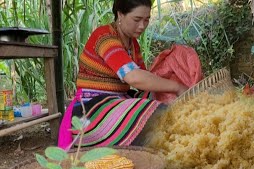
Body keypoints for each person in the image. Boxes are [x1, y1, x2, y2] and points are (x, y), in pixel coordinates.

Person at [58, 0, 188, 150]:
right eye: (137, 19)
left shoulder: (133, 44)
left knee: (164, 101)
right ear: (120, 15)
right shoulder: (104, 37)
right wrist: (177, 86)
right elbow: (133, 77)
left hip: (118, 100)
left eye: (146, 20)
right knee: (156, 112)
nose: (142, 26)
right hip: (91, 108)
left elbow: (144, 76)